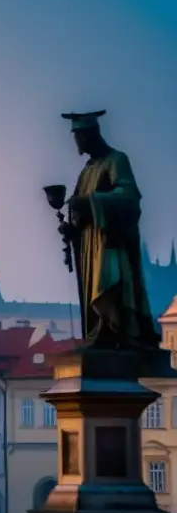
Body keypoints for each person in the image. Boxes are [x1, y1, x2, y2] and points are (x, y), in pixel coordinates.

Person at [58, 110, 159, 350]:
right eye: (76, 138)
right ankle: (98, 329)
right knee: (96, 284)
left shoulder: (116, 160)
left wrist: (92, 201)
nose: (77, 143)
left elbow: (129, 197)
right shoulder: (87, 170)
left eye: (79, 137)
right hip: (90, 242)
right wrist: (71, 228)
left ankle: (109, 328)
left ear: (91, 135)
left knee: (108, 278)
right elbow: (78, 210)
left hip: (109, 239)